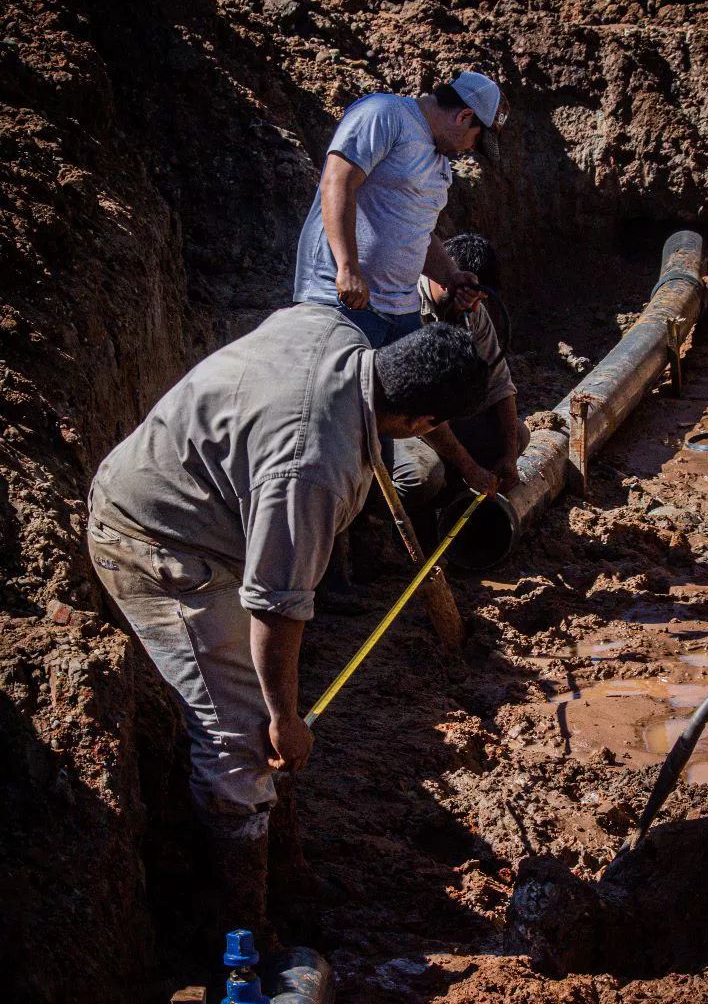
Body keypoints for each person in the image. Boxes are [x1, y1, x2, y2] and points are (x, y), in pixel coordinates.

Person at [87, 303, 488, 941]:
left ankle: (287, 872)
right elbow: (275, 605)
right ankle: (240, 928)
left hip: (196, 500)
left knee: (258, 719)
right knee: (241, 741)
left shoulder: (335, 332)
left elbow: (413, 407)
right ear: (416, 418)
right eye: (430, 427)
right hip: (157, 542)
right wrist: (284, 719)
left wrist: (468, 469)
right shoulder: (310, 469)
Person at [293, 71, 510, 348]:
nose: (469, 149)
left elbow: (417, 233)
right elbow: (337, 182)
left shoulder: (440, 164)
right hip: (346, 301)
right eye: (476, 140)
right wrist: (347, 268)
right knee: (339, 389)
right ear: (464, 116)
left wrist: (451, 277)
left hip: (401, 311)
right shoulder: (385, 114)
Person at [393, 233, 530, 515]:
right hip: (400, 424)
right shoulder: (403, 308)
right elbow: (419, 408)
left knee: (515, 435)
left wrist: (508, 455)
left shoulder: (471, 308)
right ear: (442, 277)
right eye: (468, 296)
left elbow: (499, 383)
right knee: (422, 479)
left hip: (442, 417)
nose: (473, 308)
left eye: (478, 299)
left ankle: (451, 499)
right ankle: (379, 521)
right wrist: (469, 468)